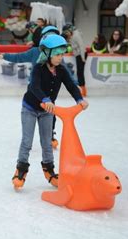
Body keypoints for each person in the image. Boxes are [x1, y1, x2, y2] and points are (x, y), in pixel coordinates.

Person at [11, 34, 88, 190]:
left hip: (47, 111)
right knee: (27, 141)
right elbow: (34, 87)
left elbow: (71, 85)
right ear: (48, 54)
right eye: (57, 54)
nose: (60, 58)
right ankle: (21, 170)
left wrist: (79, 99)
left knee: (47, 142)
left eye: (62, 54)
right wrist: (45, 99)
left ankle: (49, 170)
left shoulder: (61, 69)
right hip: (30, 109)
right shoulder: (38, 68)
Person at [62, 24, 87, 97]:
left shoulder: (76, 35)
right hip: (78, 55)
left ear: (70, 30)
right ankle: (82, 90)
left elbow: (81, 46)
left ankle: (83, 91)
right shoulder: (72, 35)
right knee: (79, 72)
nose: (66, 34)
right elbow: (73, 45)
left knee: (80, 73)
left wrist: (83, 57)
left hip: (81, 55)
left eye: (66, 32)